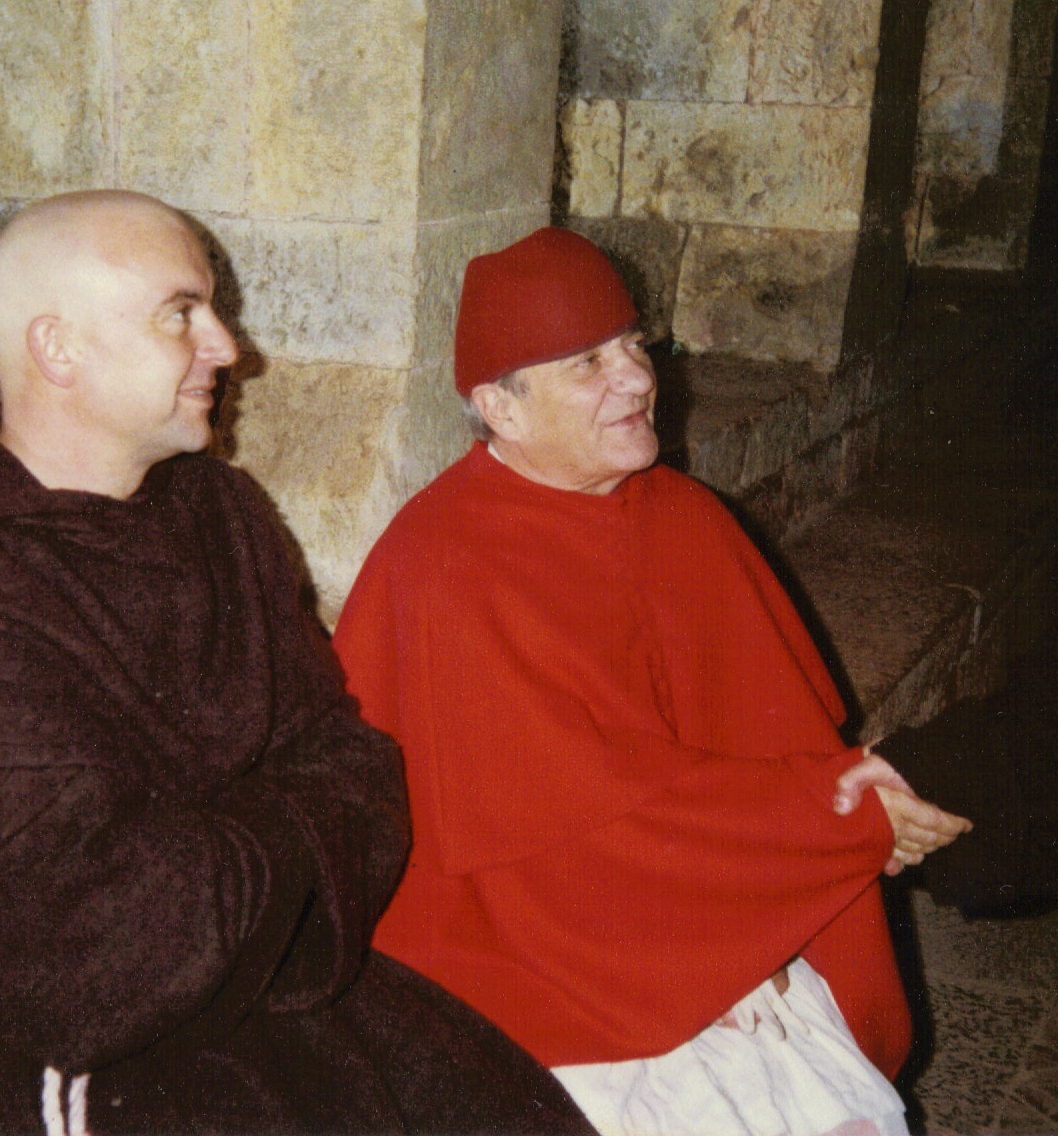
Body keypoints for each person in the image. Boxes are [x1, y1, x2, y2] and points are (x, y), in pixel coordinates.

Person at [0, 192, 594, 1136]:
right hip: (79, 1075)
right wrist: (278, 844)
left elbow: (357, 768)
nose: (226, 346)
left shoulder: (218, 511)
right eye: (181, 313)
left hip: (267, 996)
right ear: (59, 350)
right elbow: (92, 963)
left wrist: (211, 863)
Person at [331, 227, 973, 1136]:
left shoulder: (687, 515)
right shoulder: (440, 566)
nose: (637, 378)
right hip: (538, 964)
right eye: (589, 363)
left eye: (635, 344)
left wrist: (823, 834)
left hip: (708, 900)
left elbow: (777, 737)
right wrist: (835, 824)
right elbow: (566, 848)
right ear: (502, 408)